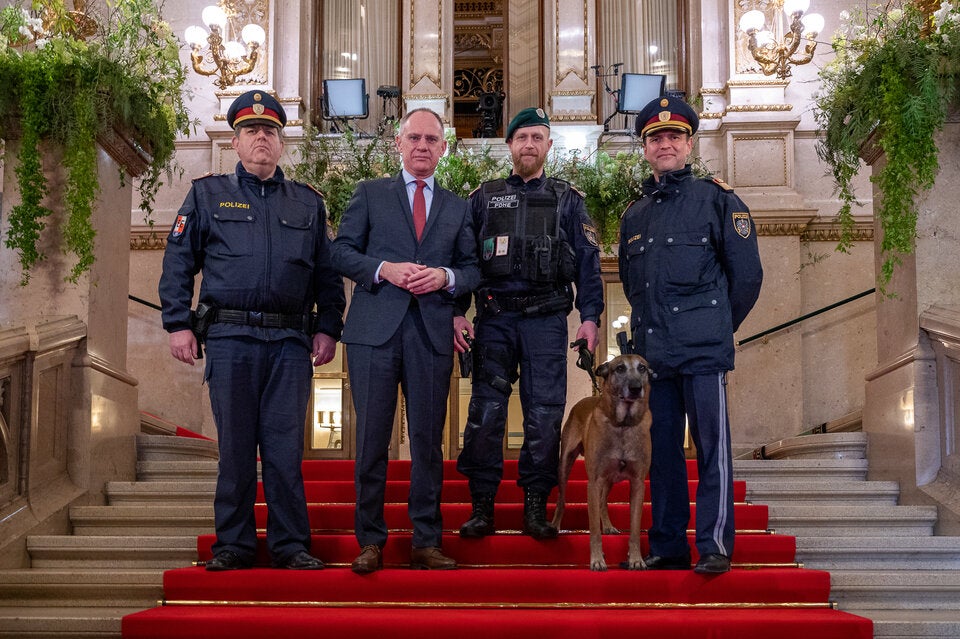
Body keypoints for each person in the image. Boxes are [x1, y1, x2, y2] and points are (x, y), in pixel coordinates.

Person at [159, 90, 345, 572]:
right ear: (237, 143)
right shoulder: (206, 193)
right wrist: (178, 322)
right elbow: (178, 261)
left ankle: (289, 545)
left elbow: (326, 275)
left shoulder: (307, 203)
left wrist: (328, 328)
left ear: (282, 144)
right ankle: (235, 546)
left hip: (289, 343)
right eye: (250, 131)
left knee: (285, 451)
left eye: (270, 131)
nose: (261, 137)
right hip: (231, 339)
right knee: (236, 452)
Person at [331, 108, 481, 574]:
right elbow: (339, 251)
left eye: (431, 139)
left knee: (428, 444)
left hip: (431, 336)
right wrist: (383, 269)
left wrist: (445, 277)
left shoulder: (458, 208)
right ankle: (370, 542)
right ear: (398, 143)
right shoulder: (370, 194)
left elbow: (474, 269)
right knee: (372, 441)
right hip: (373, 334)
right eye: (413, 137)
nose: (421, 145)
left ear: (443, 148)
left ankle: (426, 542)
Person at [618, 95, 763, 574]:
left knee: (712, 450)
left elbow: (747, 278)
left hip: (703, 353)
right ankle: (668, 544)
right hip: (655, 355)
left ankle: (715, 544)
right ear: (644, 148)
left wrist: (716, 325)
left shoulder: (718, 200)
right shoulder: (634, 215)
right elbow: (634, 288)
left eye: (673, 136)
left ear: (689, 144)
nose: (664, 144)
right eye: (655, 138)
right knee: (660, 456)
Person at [454, 107, 604, 541]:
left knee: (543, 415)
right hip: (494, 320)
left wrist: (590, 317)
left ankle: (535, 506)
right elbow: (464, 261)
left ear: (548, 147)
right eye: (521, 138)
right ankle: (482, 506)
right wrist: (456, 311)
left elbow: (589, 267)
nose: (529, 145)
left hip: (546, 320)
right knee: (485, 414)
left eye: (537, 138)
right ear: (509, 146)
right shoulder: (483, 197)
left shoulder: (569, 199)